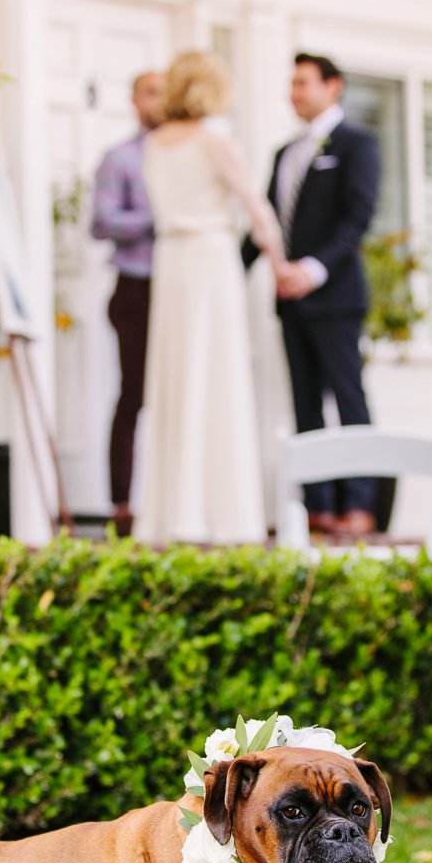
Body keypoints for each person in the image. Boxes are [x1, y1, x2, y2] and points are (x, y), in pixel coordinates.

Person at [135, 51, 287, 547]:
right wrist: (279, 261)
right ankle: (222, 515)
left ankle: (171, 513)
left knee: (178, 379)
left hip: (172, 261)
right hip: (209, 261)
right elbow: (256, 207)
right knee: (216, 376)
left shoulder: (155, 143)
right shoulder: (215, 140)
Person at [243, 53, 381, 540]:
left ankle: (360, 503)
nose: (293, 93)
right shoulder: (285, 153)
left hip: (336, 297)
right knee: (304, 405)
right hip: (290, 301)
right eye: (291, 84)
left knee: (349, 400)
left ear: (333, 87)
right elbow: (265, 225)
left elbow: (358, 217)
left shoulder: (356, 144)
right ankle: (317, 505)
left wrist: (313, 269)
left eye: (303, 83)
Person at [90, 70, 165, 537]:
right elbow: (100, 222)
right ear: (134, 99)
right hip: (136, 288)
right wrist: (157, 216)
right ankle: (122, 504)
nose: (159, 101)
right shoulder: (119, 159)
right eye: (151, 92)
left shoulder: (191, 154)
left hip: (181, 290)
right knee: (133, 395)